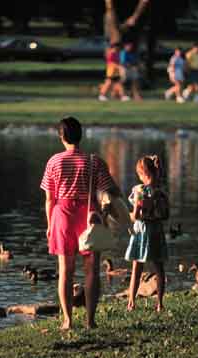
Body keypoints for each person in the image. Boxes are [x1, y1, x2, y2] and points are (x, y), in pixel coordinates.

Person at [40, 116, 119, 330]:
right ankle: (90, 320)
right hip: (89, 215)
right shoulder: (94, 161)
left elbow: (49, 199)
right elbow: (110, 191)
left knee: (65, 270)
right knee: (92, 270)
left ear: (61, 136)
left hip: (62, 215)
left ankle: (67, 320)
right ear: (81, 135)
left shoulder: (54, 161)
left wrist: (49, 225)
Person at [125, 155, 169, 312]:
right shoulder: (161, 191)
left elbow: (136, 215)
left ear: (142, 173)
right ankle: (160, 303)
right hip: (157, 231)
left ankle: (131, 301)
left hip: (142, 231)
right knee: (159, 268)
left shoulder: (139, 190)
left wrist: (126, 215)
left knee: (137, 267)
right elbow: (165, 215)